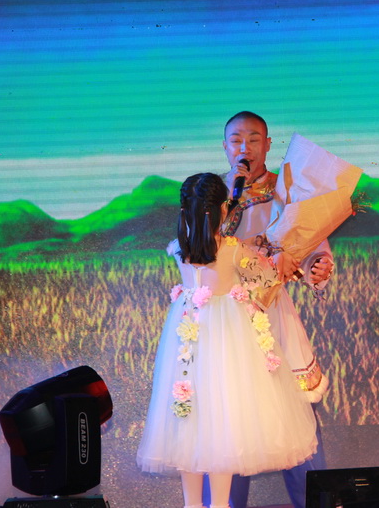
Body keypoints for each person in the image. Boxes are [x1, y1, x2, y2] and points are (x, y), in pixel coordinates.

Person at [136, 172, 318, 508]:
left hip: (189, 337)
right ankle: (219, 504)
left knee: (190, 422)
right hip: (226, 341)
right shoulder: (233, 249)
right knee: (224, 420)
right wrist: (280, 260)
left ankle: (193, 504)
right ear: (223, 209)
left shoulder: (177, 249)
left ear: (184, 210)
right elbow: (266, 275)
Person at [211, 111, 333, 508]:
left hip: (272, 317)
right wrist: (227, 202)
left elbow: (310, 239)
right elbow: (195, 249)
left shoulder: (288, 190)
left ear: (267, 145)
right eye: (236, 140)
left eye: (253, 139)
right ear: (225, 146)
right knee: (229, 425)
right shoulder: (211, 194)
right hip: (226, 322)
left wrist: (318, 265)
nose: (244, 148)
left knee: (297, 420)